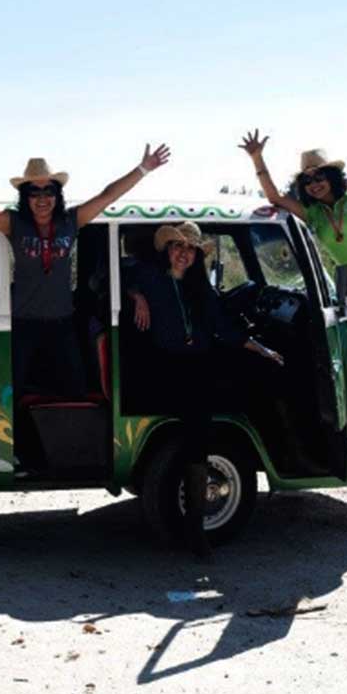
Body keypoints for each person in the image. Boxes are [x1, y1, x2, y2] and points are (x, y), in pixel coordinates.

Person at [0, 145, 170, 401]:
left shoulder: (71, 221)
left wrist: (143, 169)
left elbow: (107, 195)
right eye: (34, 192)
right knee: (14, 391)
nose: (42, 199)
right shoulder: (15, 223)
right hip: (23, 323)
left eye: (49, 191)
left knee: (75, 389)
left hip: (62, 323)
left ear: (57, 195)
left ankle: (64, 442)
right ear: (25, 197)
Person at [240, 130, 347, 453]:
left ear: (332, 176)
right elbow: (275, 198)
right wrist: (257, 158)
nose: (314, 183)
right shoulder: (315, 214)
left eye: (319, 176)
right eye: (307, 180)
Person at [127, 221, 283, 557]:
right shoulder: (149, 278)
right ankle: (190, 522)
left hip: (196, 365)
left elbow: (224, 330)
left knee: (202, 432)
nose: (183, 253)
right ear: (167, 250)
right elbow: (111, 278)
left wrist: (262, 349)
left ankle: (196, 524)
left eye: (190, 249)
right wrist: (137, 296)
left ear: (197, 255)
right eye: (177, 246)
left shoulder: (202, 289)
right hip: (163, 365)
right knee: (192, 430)